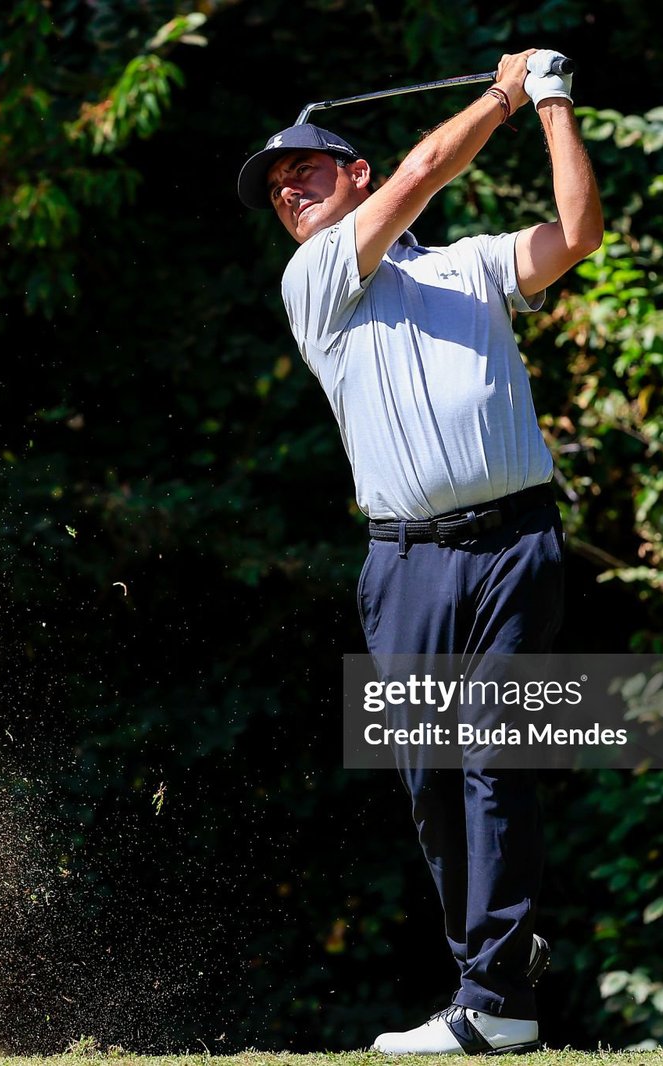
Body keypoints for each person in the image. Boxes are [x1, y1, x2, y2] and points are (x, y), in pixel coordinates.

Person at [236, 50, 602, 1054]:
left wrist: (553, 102)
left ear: (349, 171)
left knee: (494, 748)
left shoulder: (465, 265)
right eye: (276, 187)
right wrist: (501, 94)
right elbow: (419, 176)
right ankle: (490, 988)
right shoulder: (315, 279)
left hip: (515, 543)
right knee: (428, 772)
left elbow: (575, 236)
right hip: (403, 566)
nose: (289, 191)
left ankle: (494, 997)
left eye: (305, 170)